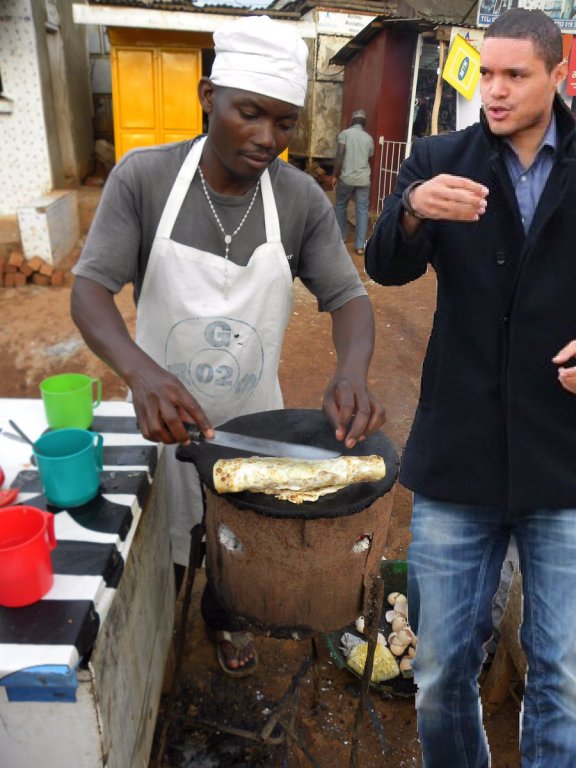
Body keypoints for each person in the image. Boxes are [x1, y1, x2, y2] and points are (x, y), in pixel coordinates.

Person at [71, 15, 385, 678]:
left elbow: (349, 298)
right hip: (159, 412)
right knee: (154, 544)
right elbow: (89, 292)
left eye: (286, 123)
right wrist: (139, 372)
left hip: (249, 418)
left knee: (232, 546)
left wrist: (351, 367)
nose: (268, 138)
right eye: (250, 114)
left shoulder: (299, 198)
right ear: (208, 94)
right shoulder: (145, 178)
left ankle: (222, 619)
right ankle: (151, 635)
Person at [365, 8, 576, 767]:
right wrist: (412, 209)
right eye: (486, 72)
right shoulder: (441, 157)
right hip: (459, 454)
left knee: (565, 676)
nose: (494, 89)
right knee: (440, 668)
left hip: (564, 459)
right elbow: (385, 266)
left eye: (515, 75)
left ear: (559, 75)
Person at [331, 109, 374, 255]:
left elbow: (340, 154)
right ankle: (360, 246)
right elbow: (369, 155)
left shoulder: (345, 134)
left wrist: (334, 175)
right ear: (364, 124)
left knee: (341, 205)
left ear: (352, 121)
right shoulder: (368, 139)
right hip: (363, 179)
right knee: (362, 210)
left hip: (347, 178)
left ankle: (342, 237)